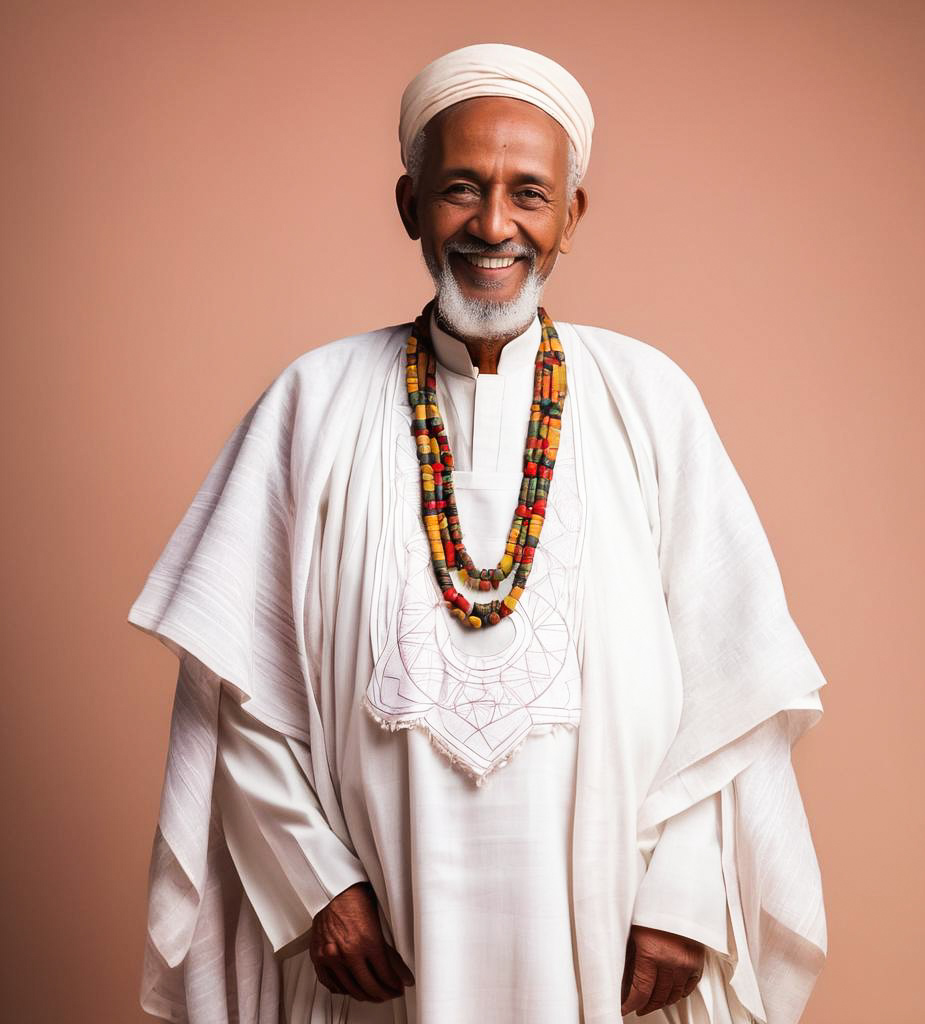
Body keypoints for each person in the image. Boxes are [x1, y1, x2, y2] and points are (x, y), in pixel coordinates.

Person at [128, 42, 828, 1024]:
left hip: (606, 920)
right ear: (410, 204)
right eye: (461, 188)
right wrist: (314, 882)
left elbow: (731, 683)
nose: (493, 226)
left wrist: (684, 896)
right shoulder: (311, 402)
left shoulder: (648, 400)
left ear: (571, 218)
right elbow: (238, 684)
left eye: (528, 194)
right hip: (376, 944)